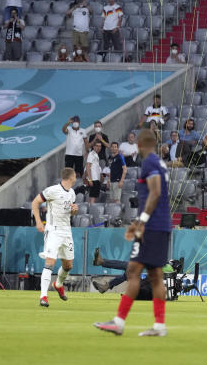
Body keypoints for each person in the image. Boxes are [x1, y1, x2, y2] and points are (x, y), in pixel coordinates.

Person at [95, 128, 173, 337]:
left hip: (152, 227)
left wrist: (142, 222)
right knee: (156, 276)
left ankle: (119, 322)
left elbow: (155, 192)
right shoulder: (161, 163)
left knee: (133, 271)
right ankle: (159, 326)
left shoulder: (149, 162)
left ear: (141, 144)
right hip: (162, 226)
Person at [31, 167, 79, 307]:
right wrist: (39, 222)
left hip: (66, 231)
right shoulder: (52, 190)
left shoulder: (72, 193)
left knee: (68, 265)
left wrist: (74, 211)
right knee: (50, 262)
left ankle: (58, 284)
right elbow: (35, 202)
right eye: (75, 175)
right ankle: (43, 296)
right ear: (71, 177)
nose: (76, 178)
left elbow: (70, 214)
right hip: (53, 231)